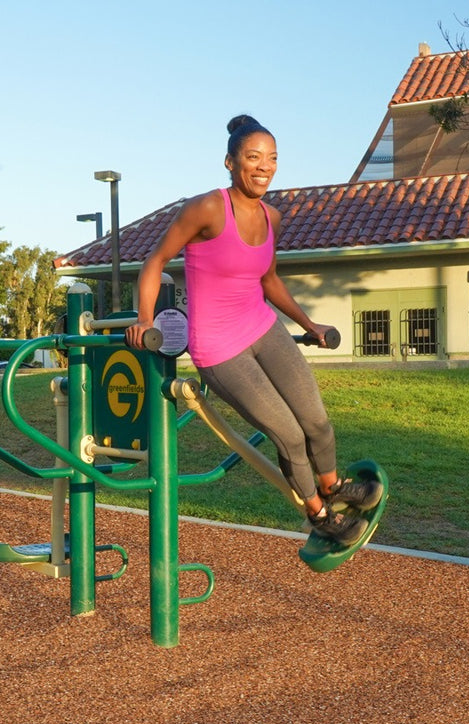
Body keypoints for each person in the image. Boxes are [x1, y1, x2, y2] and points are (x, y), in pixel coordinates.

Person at [126, 114, 382, 546]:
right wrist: (145, 320)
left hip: (263, 328)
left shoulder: (272, 218)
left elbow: (269, 280)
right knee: (289, 435)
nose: (264, 166)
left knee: (317, 423)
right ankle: (320, 516)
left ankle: (333, 486)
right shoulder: (206, 208)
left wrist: (308, 324)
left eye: (273, 158)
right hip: (219, 349)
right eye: (253, 157)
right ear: (230, 162)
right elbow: (155, 262)